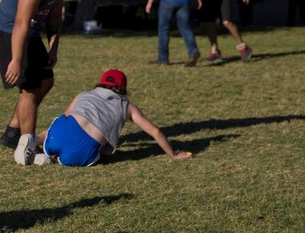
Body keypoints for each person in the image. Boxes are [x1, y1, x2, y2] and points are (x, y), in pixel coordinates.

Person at [0, 0, 100, 165]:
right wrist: (16, 60)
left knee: (46, 81)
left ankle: (13, 130)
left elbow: (55, 18)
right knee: (29, 89)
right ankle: (27, 147)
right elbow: (20, 22)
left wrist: (53, 48)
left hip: (28, 32)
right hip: (8, 30)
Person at [34, 69, 192, 166]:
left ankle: (33, 140)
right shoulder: (127, 107)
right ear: (123, 88)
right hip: (84, 151)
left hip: (60, 136)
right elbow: (155, 131)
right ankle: (52, 160)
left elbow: (65, 117)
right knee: (91, 154)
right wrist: (174, 155)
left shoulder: (85, 94)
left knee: (49, 133)